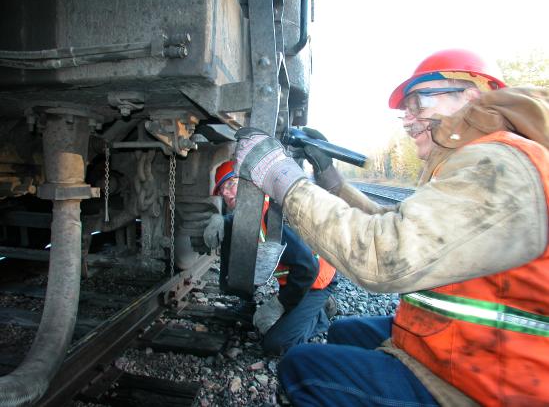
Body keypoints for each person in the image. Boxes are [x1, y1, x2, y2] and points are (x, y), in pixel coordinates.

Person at [232, 49, 549, 406]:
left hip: (486, 389)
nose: (408, 119)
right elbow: (396, 224)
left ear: (471, 96)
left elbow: (385, 255)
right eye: (405, 111)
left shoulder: (502, 165)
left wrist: (281, 177)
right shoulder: (485, 160)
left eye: (419, 102)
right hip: (472, 351)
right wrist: (330, 178)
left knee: (301, 367)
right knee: (341, 331)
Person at [207, 160, 338, 355]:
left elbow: (308, 269)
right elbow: (232, 221)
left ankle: (320, 315)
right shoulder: (250, 212)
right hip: (294, 280)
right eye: (221, 191)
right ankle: (303, 309)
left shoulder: (273, 215)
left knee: (275, 344)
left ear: (249, 183)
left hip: (315, 281)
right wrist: (218, 219)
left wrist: (279, 304)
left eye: (230, 184)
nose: (225, 193)